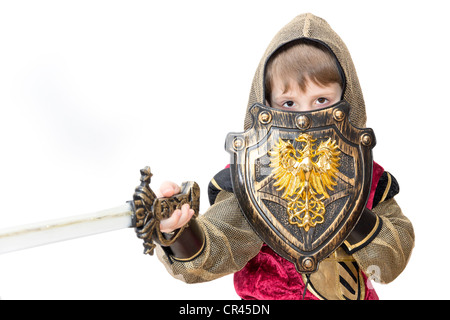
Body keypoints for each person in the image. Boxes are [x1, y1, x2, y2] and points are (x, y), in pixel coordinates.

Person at [150, 13, 415, 300]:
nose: (305, 115)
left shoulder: (368, 176)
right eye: (289, 103)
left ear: (346, 100)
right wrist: (180, 232)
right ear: (266, 104)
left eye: (322, 100)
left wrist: (349, 209)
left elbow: (389, 264)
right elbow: (219, 247)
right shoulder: (252, 176)